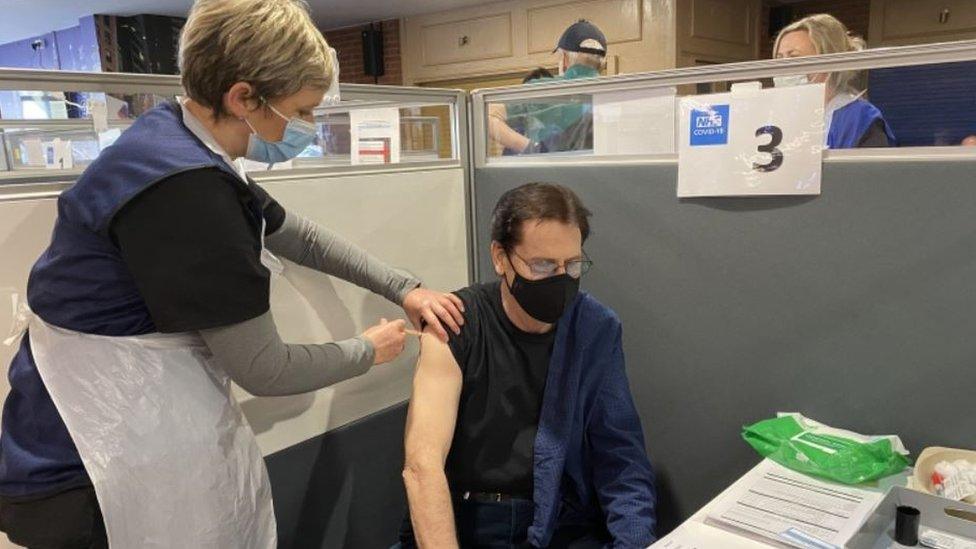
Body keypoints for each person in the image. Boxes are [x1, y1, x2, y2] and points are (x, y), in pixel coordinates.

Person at [0, 1, 464, 547]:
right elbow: (266, 370)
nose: (308, 128)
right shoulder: (187, 192)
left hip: (94, 444)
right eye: (303, 110)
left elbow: (297, 234)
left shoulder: (173, 140)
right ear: (244, 97)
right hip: (83, 477)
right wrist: (368, 350)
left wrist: (401, 286)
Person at [399, 183, 656, 548]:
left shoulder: (594, 328)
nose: (560, 277)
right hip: (469, 520)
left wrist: (633, 542)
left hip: (558, 519)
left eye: (572, 264)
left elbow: (621, 457)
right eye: (542, 265)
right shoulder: (455, 323)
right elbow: (422, 466)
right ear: (501, 258)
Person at [773, 14, 896, 149]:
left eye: (794, 57)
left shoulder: (860, 119)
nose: (783, 67)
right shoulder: (779, 116)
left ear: (827, 60)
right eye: (780, 59)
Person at [489, 20, 607, 155]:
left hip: (549, 175)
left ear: (564, 58)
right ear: (602, 63)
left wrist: (532, 149)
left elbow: (488, 116)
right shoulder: (616, 92)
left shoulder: (544, 90)